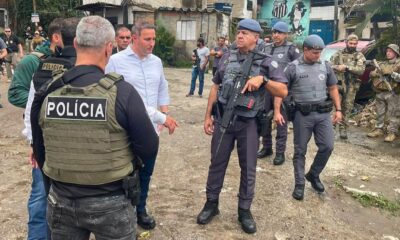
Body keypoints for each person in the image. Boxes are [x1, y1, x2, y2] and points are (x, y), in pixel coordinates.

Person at [31, 15, 159, 239]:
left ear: (76, 44)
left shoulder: (48, 92)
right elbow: (148, 147)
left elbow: (40, 151)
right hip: (112, 201)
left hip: (61, 199)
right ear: (109, 48)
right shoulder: (123, 93)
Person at [196, 18, 288, 234]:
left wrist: (263, 81)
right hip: (224, 121)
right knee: (216, 162)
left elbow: (283, 91)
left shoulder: (267, 61)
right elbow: (215, 87)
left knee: (248, 167)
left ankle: (244, 210)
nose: (239, 36)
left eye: (245, 33)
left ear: (256, 38)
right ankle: (211, 204)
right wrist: (208, 116)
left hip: (248, 123)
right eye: (238, 32)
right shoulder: (227, 57)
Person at [106, 22, 178, 230]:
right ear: (134, 38)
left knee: (145, 173)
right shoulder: (115, 62)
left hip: (151, 130)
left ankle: (140, 210)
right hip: (124, 130)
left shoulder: (156, 62)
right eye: (147, 39)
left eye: (154, 39)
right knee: (123, 173)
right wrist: (162, 118)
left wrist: (164, 112)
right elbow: (118, 97)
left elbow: (162, 86)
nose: (152, 43)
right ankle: (120, 213)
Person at [15, 18, 70, 240]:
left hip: (49, 145)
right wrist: (33, 143)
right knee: (41, 198)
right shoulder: (39, 64)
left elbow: (30, 109)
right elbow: (30, 109)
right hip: (47, 146)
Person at [275, 35, 342, 201]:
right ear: (305, 50)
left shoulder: (325, 66)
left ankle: (313, 174)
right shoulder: (293, 67)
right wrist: (277, 111)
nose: (317, 55)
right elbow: (280, 90)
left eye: (320, 52)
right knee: (300, 150)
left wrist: (339, 110)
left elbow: (333, 88)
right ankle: (299, 184)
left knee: (327, 146)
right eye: (314, 52)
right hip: (302, 115)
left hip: (323, 114)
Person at [257, 21, 301, 166]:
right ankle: (267, 147)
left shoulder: (291, 49)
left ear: (286, 34)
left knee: (280, 120)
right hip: (267, 88)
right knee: (264, 119)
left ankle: (280, 152)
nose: (276, 35)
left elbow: (298, 69)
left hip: (282, 91)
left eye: (279, 33)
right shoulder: (266, 47)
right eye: (274, 32)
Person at [330, 34, 366, 139]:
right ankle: (331, 128)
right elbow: (329, 65)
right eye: (351, 43)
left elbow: (361, 70)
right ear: (346, 42)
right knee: (335, 106)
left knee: (347, 108)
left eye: (355, 44)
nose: (353, 45)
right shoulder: (338, 54)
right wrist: (337, 67)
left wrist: (346, 67)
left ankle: (343, 129)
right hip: (339, 84)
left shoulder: (359, 56)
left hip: (351, 86)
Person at [367, 44, 400, 142]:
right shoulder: (382, 64)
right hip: (380, 92)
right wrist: (377, 73)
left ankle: (392, 133)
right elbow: (371, 74)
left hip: (393, 92)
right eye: (387, 51)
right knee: (379, 113)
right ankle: (378, 129)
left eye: (391, 51)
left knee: (393, 113)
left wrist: (392, 73)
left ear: (396, 53)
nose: (388, 53)